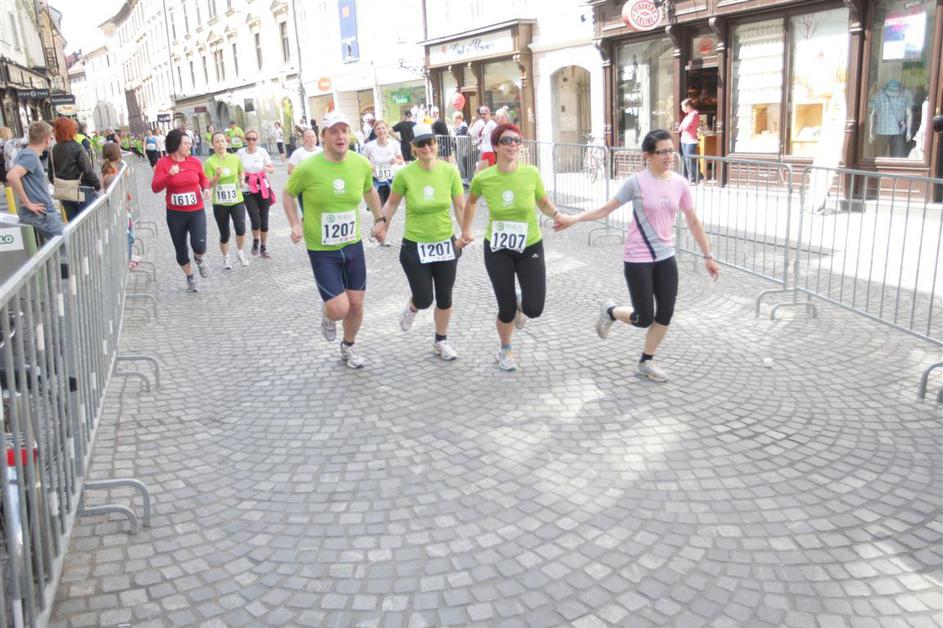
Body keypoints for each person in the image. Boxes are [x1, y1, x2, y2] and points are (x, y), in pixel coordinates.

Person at [553, 129, 720, 382]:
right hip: (637, 258)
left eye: (670, 151)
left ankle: (645, 362)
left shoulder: (680, 183)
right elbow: (606, 209)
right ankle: (611, 311)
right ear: (647, 156)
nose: (669, 156)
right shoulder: (636, 183)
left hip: (665, 257)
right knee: (643, 318)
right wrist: (574, 219)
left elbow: (693, 221)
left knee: (665, 313)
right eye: (662, 152)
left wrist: (708, 256)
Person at [282, 111, 384, 369]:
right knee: (339, 309)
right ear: (324, 136)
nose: (340, 136)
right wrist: (295, 224)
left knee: (356, 303)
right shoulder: (308, 168)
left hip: (352, 245)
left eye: (344, 131)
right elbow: (288, 193)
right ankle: (328, 314)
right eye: (334, 132)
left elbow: (370, 191)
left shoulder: (361, 164)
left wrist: (380, 219)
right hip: (322, 249)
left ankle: (348, 346)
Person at [458, 123, 561, 372]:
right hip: (497, 248)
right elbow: (471, 202)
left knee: (534, 309)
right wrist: (466, 230)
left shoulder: (531, 173)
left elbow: (543, 202)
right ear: (495, 146)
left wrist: (558, 216)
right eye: (506, 140)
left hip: (529, 246)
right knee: (505, 308)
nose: (513, 144)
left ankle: (520, 301)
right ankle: (505, 349)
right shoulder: (484, 178)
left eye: (516, 140)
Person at [373, 123, 465, 361]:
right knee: (424, 298)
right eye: (421, 144)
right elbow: (392, 203)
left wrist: (465, 231)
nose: (426, 148)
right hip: (415, 245)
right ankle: (413, 306)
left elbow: (459, 205)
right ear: (413, 147)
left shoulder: (450, 171)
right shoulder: (405, 174)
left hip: (445, 243)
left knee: (445, 297)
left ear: (436, 144)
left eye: (430, 143)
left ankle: (441, 341)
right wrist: (382, 224)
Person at [150, 128, 211, 292]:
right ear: (177, 145)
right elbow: (155, 187)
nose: (189, 146)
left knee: (200, 245)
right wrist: (169, 175)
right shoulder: (163, 163)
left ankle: (199, 259)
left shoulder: (194, 162)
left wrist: (205, 188)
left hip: (196, 211)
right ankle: (190, 277)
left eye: (190, 143)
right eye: (186, 144)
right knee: (181, 249)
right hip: (175, 214)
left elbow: (203, 178)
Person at [5, 121, 64, 239]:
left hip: (39, 213)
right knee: (68, 242)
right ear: (46, 139)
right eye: (51, 138)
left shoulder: (26, 153)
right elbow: (12, 176)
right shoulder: (30, 156)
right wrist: (28, 204)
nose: (52, 140)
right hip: (40, 215)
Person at [205, 131, 250, 269]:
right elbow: (208, 185)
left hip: (237, 199)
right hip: (220, 203)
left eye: (222, 141)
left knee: (241, 229)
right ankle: (226, 257)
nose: (220, 144)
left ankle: (240, 252)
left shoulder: (235, 158)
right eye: (217, 142)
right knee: (224, 233)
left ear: (227, 143)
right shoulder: (210, 162)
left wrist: (242, 180)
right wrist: (217, 176)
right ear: (213, 145)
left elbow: (241, 171)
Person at [49, 117, 101, 222]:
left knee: (73, 224)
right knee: (88, 224)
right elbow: (88, 170)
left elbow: (51, 174)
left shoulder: (53, 149)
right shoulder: (77, 147)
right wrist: (97, 185)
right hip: (82, 190)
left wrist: (61, 183)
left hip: (65, 192)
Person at [237, 129, 275, 258]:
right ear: (245, 139)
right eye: (248, 139)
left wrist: (266, 169)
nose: (251, 141)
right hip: (247, 189)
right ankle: (255, 240)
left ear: (257, 140)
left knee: (264, 220)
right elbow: (237, 169)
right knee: (255, 219)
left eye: (254, 139)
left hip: (262, 188)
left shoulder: (262, 151)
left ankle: (263, 247)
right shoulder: (240, 153)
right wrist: (241, 179)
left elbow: (271, 168)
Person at [362, 119, 403, 207]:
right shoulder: (369, 146)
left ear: (387, 129)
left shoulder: (394, 144)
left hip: (390, 181)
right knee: (379, 207)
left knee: (389, 207)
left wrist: (396, 161)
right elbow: (362, 160)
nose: (381, 131)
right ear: (375, 131)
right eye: (378, 129)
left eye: (383, 128)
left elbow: (401, 160)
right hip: (376, 181)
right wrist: (370, 165)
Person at [677, 98, 703, 183]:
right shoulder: (687, 116)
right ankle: (691, 178)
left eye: (683, 107)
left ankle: (700, 176)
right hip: (684, 139)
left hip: (691, 139)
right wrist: (681, 127)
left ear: (688, 106)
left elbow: (685, 127)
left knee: (689, 159)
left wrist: (683, 126)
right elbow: (680, 128)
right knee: (686, 159)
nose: (682, 109)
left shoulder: (694, 114)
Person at [467, 106, 497, 172]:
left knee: (478, 173)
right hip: (484, 151)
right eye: (481, 114)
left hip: (489, 152)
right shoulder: (486, 124)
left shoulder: (492, 124)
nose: (483, 116)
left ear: (489, 114)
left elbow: (498, 135)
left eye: (485, 114)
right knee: (486, 173)